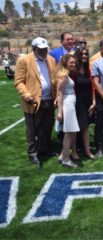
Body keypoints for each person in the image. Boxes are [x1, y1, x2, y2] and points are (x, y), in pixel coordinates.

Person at [14, 37, 57, 165]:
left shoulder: (51, 60)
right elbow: (18, 81)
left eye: (45, 49)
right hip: (32, 101)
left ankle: (44, 148)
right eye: (41, 50)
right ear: (34, 49)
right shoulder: (24, 60)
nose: (44, 52)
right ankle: (33, 153)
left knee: (47, 126)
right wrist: (26, 94)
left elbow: (53, 78)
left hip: (48, 99)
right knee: (32, 129)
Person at [56, 54, 80, 168]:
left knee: (71, 132)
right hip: (67, 105)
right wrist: (60, 112)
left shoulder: (66, 75)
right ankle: (66, 159)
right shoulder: (63, 76)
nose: (73, 64)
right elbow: (59, 94)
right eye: (71, 62)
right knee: (69, 133)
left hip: (70, 104)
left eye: (74, 62)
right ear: (65, 63)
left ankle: (62, 156)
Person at [74, 47, 96, 159]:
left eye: (86, 54)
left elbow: (92, 87)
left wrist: (94, 102)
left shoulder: (89, 70)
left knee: (85, 127)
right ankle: (74, 151)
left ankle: (87, 151)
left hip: (87, 102)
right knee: (74, 128)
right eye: (82, 54)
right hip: (76, 102)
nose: (84, 56)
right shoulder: (74, 70)